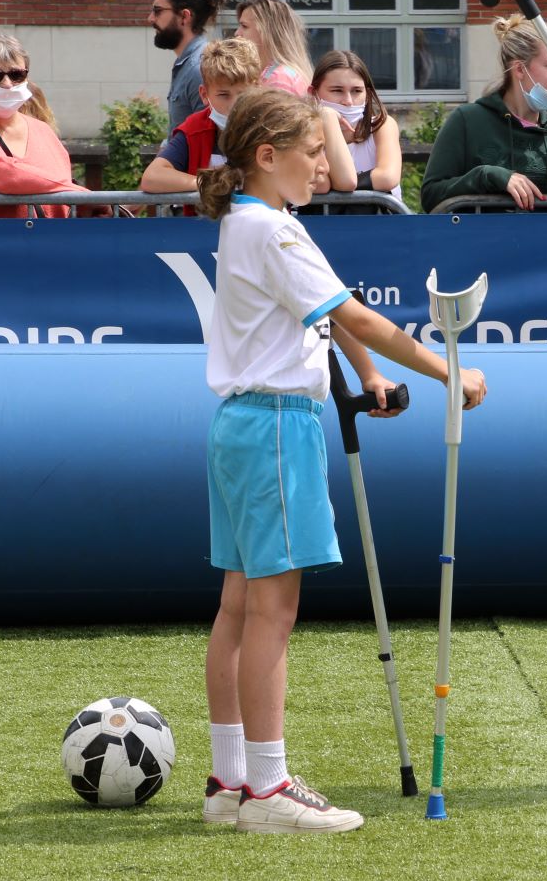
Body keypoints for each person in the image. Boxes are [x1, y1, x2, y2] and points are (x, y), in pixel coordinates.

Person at [194, 87, 486, 834]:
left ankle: (230, 783)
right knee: (272, 610)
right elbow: (355, 315)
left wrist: (373, 378)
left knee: (238, 604)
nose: (326, 164)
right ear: (267, 156)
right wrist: (448, 371)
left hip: (240, 425)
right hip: (277, 427)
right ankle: (266, 788)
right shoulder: (275, 232)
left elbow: (328, 310)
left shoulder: (257, 221)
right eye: (313, 151)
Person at [420, 15, 547, 212]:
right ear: (520, 69)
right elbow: (431, 195)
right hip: (482, 241)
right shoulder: (467, 120)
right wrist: (487, 176)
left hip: (542, 241)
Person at [0, 30, 89, 218]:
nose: (7, 84)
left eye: (16, 75)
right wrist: (77, 193)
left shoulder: (43, 131)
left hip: (52, 243)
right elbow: (10, 175)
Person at [141, 39, 264, 198]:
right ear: (204, 95)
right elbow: (152, 177)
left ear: (257, 90)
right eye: (223, 95)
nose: (234, 105)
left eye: (243, 94)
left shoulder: (270, 128)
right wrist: (211, 184)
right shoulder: (195, 129)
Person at [310, 49, 403, 201]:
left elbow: (387, 177)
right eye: (337, 90)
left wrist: (340, 183)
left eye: (356, 91)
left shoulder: (382, 125)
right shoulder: (304, 133)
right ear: (314, 93)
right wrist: (328, 119)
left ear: (367, 94)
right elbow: (318, 184)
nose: (348, 101)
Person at [151, 0, 229, 132]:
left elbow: (207, 141)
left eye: (157, 11)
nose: (150, 18)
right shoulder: (188, 63)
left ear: (184, 16)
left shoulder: (198, 69)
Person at [235, 0, 314, 95]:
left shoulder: (280, 78)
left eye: (244, 26)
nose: (237, 33)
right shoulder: (276, 73)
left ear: (268, 31)